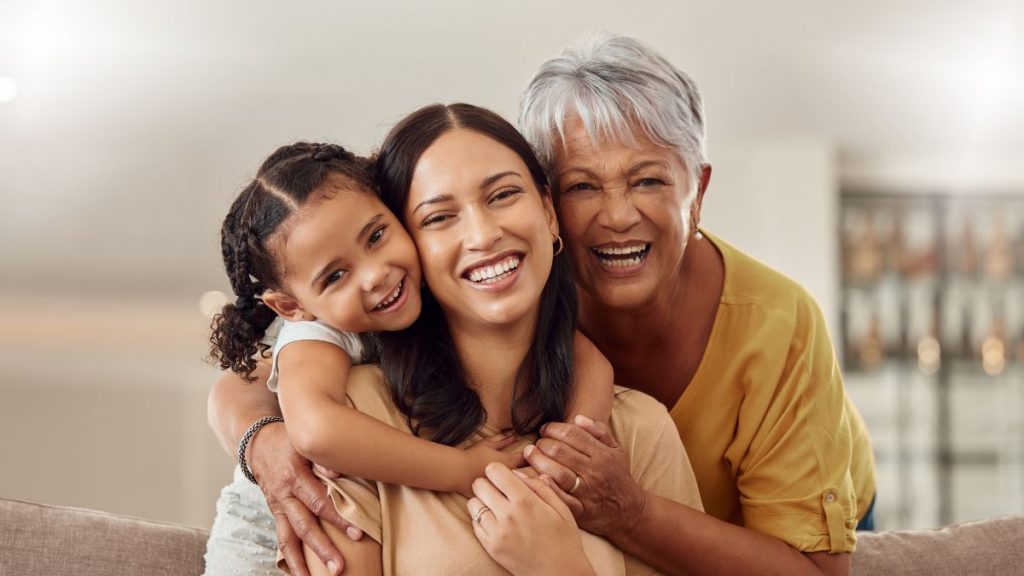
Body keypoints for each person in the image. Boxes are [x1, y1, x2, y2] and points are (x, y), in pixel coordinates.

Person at [512, 34, 877, 575]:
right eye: (582, 187)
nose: (616, 216)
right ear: (546, 205)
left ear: (698, 191)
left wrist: (629, 512)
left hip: (814, 514)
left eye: (648, 179)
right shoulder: (516, 303)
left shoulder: (780, 322)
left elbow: (817, 571)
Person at [297, 101, 700, 575]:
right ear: (409, 251)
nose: (484, 234)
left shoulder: (640, 431)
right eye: (439, 217)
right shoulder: (359, 416)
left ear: (549, 214)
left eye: (503, 195)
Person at [202, 141, 613, 575]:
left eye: (377, 236)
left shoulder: (426, 291)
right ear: (291, 307)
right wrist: (462, 469)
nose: (375, 273)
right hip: (265, 538)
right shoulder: (313, 334)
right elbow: (316, 431)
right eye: (336, 275)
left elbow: (585, 358)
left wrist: (565, 462)